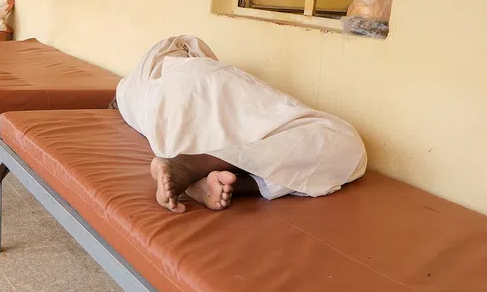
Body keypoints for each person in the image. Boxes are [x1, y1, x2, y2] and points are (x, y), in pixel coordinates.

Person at [116, 36, 367, 213]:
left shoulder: (131, 90)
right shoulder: (161, 71)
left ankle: (200, 163)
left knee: (191, 116)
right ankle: (217, 171)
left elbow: (132, 102)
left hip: (187, 88)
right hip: (204, 80)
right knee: (347, 145)